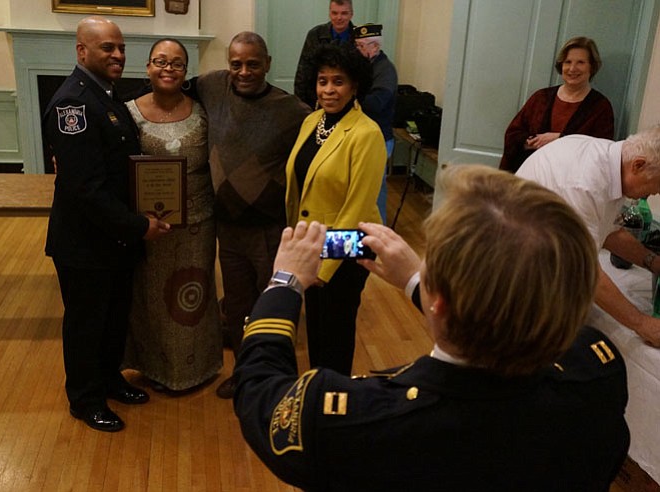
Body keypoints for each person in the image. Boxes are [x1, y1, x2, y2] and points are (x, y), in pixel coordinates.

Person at [233, 165, 629, 491]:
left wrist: (284, 281)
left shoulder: (359, 422)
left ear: (438, 300)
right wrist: (417, 283)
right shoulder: (598, 371)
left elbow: (259, 390)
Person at [42, 16, 170, 432]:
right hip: (84, 244)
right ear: (82, 52)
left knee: (114, 317)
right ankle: (85, 398)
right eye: (106, 48)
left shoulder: (106, 95)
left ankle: (109, 378)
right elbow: (85, 189)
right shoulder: (72, 104)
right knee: (86, 323)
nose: (117, 54)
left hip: (113, 240)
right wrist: (138, 227)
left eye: (120, 47)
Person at [195, 32, 311, 398]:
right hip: (227, 229)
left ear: (268, 64)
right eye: (236, 64)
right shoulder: (212, 87)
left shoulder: (292, 110)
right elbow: (167, 87)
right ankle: (244, 374)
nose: (243, 71)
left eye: (253, 64)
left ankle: (276, 382)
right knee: (238, 305)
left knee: (272, 310)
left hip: (270, 231)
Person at [122, 39, 222, 391]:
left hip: (198, 221)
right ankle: (154, 367)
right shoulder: (127, 113)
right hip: (148, 226)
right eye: (160, 61)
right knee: (151, 296)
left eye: (177, 64)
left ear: (186, 71)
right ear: (147, 67)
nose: (168, 69)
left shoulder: (203, 110)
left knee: (195, 292)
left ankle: (197, 368)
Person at [285, 43, 386, 375]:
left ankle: (336, 405)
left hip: (348, 248)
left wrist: (323, 267)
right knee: (316, 328)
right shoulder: (312, 121)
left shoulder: (367, 133)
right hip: (313, 245)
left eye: (338, 81)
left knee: (336, 334)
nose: (328, 90)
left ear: (355, 85)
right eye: (322, 81)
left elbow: (356, 209)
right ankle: (318, 393)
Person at [517, 127, 660, 348]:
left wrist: (653, 262)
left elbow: (610, 232)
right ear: (638, 165)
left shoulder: (610, 160)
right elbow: (583, 270)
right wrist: (642, 324)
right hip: (520, 279)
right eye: (657, 185)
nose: (655, 193)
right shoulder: (585, 183)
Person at [500, 36, 614, 173]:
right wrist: (530, 141)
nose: (572, 68)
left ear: (592, 66)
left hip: (571, 185)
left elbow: (601, 152)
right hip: (531, 178)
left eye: (580, 62)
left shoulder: (600, 107)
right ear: (561, 65)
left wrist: (560, 139)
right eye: (568, 62)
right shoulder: (541, 98)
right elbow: (513, 134)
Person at [354, 22, 398, 224]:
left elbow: (376, 103)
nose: (359, 50)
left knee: (375, 188)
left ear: (375, 47)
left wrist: (352, 95)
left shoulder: (385, 70)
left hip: (380, 138)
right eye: (357, 45)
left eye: (363, 46)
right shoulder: (366, 67)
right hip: (365, 136)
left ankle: (379, 233)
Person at [294, 0, 355, 108]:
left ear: (351, 14)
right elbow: (303, 72)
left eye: (344, 13)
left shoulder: (359, 37)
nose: (339, 18)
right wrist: (301, 105)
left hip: (348, 101)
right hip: (317, 99)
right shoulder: (315, 34)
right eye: (335, 13)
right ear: (329, 13)